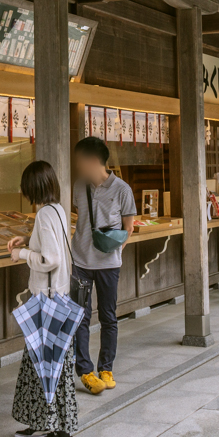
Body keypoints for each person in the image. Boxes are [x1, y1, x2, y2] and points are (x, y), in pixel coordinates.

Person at [7, 160, 78, 437]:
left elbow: (51, 259)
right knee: (40, 365)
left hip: (48, 301)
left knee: (51, 367)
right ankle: (38, 420)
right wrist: (28, 239)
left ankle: (62, 435)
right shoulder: (57, 210)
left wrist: (21, 252)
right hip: (58, 297)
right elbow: (57, 247)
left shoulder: (45, 215)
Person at [69, 136, 135, 395]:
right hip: (81, 262)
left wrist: (114, 251)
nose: (78, 166)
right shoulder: (78, 186)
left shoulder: (122, 189)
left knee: (108, 316)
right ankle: (85, 371)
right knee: (80, 318)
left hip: (109, 265)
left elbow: (129, 228)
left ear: (93, 160)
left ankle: (106, 367)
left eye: (80, 161)